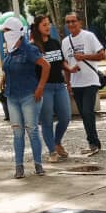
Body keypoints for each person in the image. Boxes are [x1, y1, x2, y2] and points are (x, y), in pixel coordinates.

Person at [0, 16, 51, 178]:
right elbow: (9, 67)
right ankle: (19, 166)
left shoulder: (29, 49)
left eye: (7, 31)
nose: (4, 34)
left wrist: (40, 87)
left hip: (29, 95)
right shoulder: (10, 49)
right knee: (17, 132)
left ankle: (38, 165)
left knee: (32, 130)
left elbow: (45, 65)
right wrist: (4, 77)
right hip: (12, 97)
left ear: (15, 32)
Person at [62, 11, 106, 156]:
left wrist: (84, 56)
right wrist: (68, 84)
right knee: (83, 114)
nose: (71, 24)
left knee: (88, 112)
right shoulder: (65, 42)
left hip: (90, 81)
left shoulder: (88, 36)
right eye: (68, 22)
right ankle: (92, 143)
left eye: (73, 21)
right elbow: (66, 65)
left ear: (80, 22)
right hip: (76, 83)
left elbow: (102, 55)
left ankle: (94, 143)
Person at [31, 14, 73, 163]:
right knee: (47, 120)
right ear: (37, 28)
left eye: (49, 24)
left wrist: (70, 69)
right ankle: (52, 151)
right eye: (44, 25)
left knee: (66, 117)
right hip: (45, 88)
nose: (48, 27)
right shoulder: (33, 46)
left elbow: (61, 63)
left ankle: (57, 142)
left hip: (59, 85)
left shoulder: (55, 42)